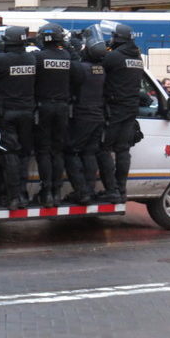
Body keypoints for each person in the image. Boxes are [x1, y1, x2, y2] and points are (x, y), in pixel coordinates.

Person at [0, 25, 36, 210]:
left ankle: (13, 197)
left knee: (10, 154)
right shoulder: (32, 58)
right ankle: (23, 194)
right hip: (27, 113)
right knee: (23, 153)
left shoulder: (0, 59)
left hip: (7, 113)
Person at [98, 23, 144, 202]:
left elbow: (98, 70)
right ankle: (121, 190)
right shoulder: (137, 58)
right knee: (123, 149)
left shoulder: (114, 57)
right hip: (131, 109)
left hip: (115, 109)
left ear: (117, 38)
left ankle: (112, 189)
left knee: (104, 149)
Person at [64, 25, 108, 205]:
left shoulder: (81, 68)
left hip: (83, 116)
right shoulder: (102, 69)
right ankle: (90, 190)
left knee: (71, 153)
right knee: (89, 153)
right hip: (98, 117)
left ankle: (82, 192)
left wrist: (71, 46)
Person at [32, 22, 71, 207]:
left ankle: (46, 192)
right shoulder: (68, 57)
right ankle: (57, 192)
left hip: (44, 108)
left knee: (44, 151)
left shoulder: (38, 58)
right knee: (58, 151)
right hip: (63, 109)